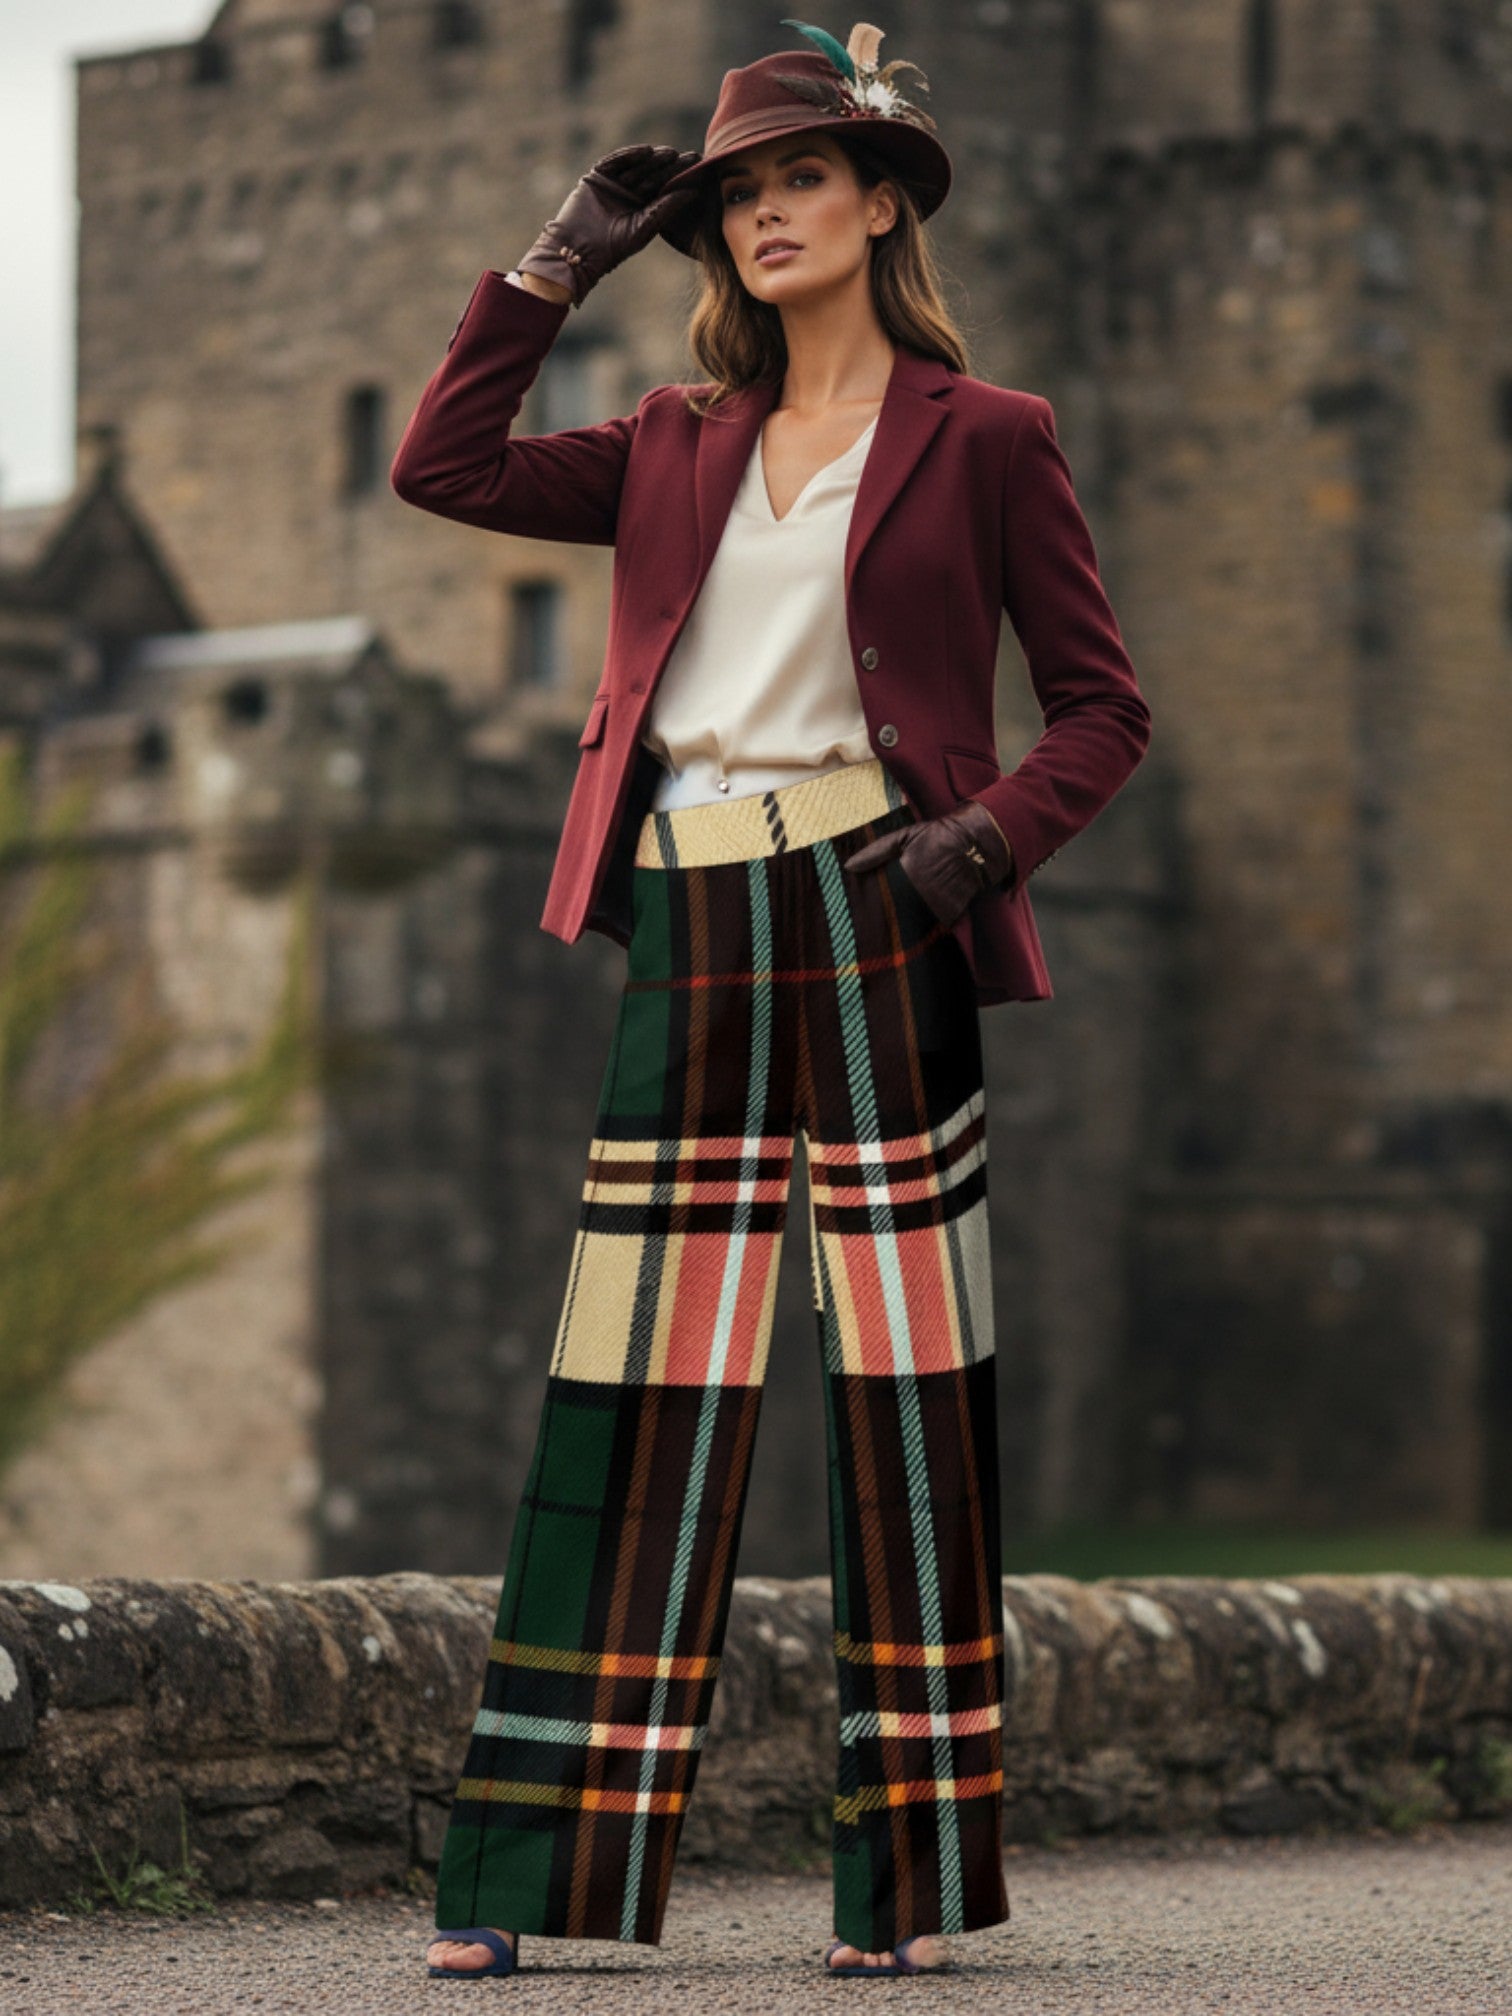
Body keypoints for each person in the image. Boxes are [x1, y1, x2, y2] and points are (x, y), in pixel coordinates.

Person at [392, 16, 1152, 1982]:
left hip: (889, 900)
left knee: (909, 1391)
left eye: (800, 179)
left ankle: (908, 1892)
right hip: (694, 911)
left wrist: (980, 848)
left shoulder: (993, 435)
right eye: (735, 198)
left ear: (883, 202)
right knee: (633, 1382)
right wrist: (558, 262)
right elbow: (440, 464)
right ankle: (527, 1882)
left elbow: (1103, 708)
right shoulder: (669, 439)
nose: (762, 218)